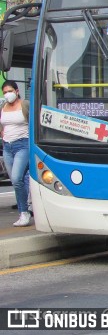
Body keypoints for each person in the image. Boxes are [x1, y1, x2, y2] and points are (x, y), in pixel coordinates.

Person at [1, 80, 31, 227]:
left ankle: (24, 212)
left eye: (10, 91)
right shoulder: (2, 107)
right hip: (7, 147)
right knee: (17, 181)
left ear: (17, 91)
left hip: (23, 145)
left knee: (16, 177)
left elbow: (35, 122)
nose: (8, 94)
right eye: (5, 92)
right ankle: (28, 206)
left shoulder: (25, 105)